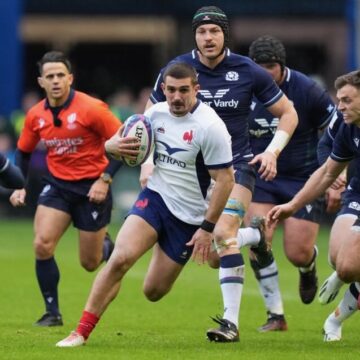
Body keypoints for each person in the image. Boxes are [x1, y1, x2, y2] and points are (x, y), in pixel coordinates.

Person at [140, 6, 298, 342]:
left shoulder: (248, 70)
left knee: (223, 235)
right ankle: (255, 236)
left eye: (214, 31)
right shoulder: (176, 69)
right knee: (197, 266)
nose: (208, 38)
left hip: (235, 168)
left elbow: (288, 113)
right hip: (184, 173)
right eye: (201, 32)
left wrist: (272, 150)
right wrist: (147, 160)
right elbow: (148, 120)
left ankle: (230, 324)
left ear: (226, 34)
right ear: (194, 36)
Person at [55, 62, 235, 347]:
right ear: (163, 89)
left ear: (196, 89)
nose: (177, 97)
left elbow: (225, 181)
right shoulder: (155, 112)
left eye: (184, 91)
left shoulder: (210, 127)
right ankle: (80, 332)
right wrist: (110, 148)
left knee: (153, 291)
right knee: (120, 259)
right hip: (155, 199)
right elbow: (123, 143)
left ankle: (248, 237)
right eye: (171, 90)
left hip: (189, 217)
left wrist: (207, 228)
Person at [9, 51, 138, 327]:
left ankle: (105, 246)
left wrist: (104, 180)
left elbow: (124, 144)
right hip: (57, 185)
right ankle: (52, 312)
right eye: (49, 76)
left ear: (70, 78)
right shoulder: (35, 115)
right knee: (42, 244)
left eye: (60, 75)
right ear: (41, 82)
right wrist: (19, 186)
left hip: (93, 187)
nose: (55, 81)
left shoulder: (92, 109)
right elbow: (22, 153)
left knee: (89, 263)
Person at [235, 35, 340, 332]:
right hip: (261, 177)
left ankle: (308, 268)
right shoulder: (244, 89)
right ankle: (276, 315)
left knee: (297, 252)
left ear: (282, 66)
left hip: (303, 179)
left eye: (271, 66)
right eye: (259, 66)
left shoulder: (307, 90)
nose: (265, 72)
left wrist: (334, 177)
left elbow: (334, 133)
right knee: (257, 234)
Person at [267, 69, 360, 342]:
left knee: (348, 266)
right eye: (338, 99)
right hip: (356, 192)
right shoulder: (346, 125)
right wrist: (292, 205)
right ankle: (343, 276)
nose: (339, 106)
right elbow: (328, 172)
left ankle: (335, 320)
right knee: (336, 258)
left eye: (346, 100)